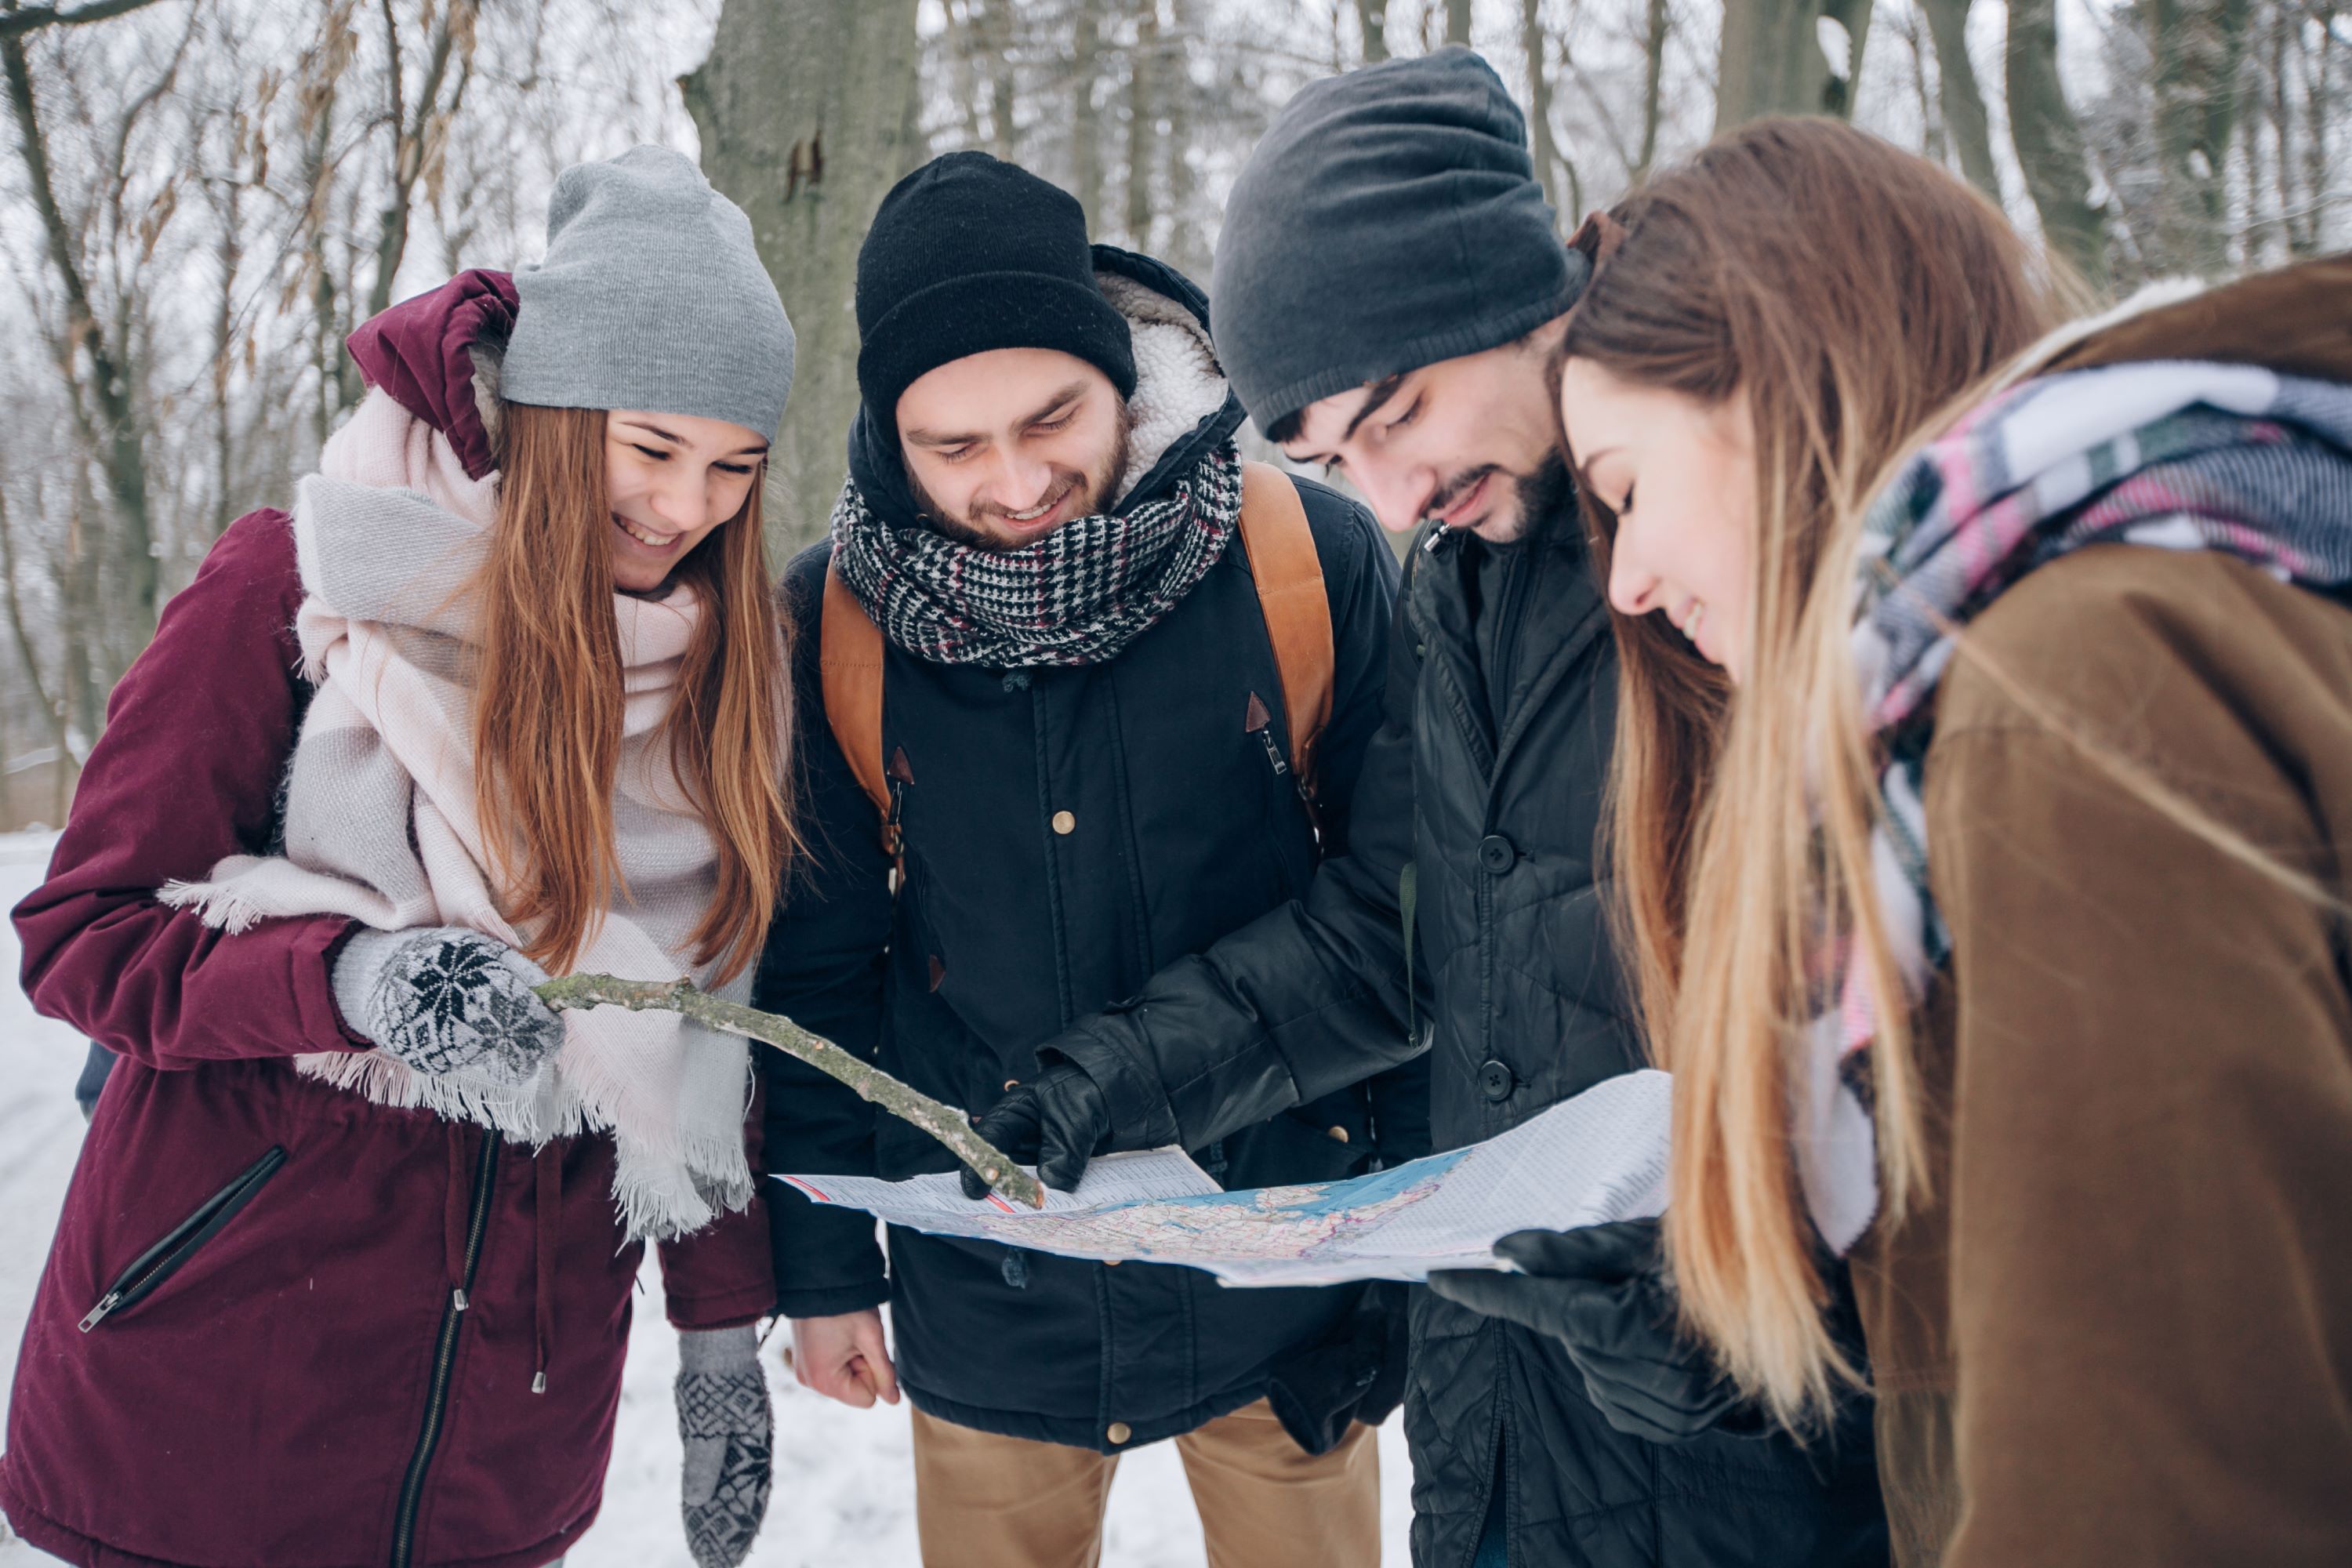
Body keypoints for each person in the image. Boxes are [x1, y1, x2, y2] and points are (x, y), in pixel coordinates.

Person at [975, 51, 1889, 1568]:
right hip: (1509, 1447)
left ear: (1510, 290)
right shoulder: (1461, 577)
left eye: (1394, 413)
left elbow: (1954, 1095)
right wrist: (1119, 1074)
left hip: (1758, 1480)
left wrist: (1762, 1336)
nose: (1387, 496)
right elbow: (1406, 938)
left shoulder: (1751, 540)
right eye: (1333, 460)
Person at [1551, 118, 2352, 1566]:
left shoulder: (2064, 695)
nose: (1627, 579)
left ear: (1780, 376)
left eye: (1622, 489)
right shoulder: (2021, 677)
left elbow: (2152, 1501)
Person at [0, 147, 793, 1568]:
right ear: (554, 416)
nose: (688, 511)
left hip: (509, 1426)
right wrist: (357, 982)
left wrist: (721, 1329)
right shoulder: (303, 585)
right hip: (221, 1388)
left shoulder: (719, 670)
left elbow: (704, 1026)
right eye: (652, 447)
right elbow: (86, 932)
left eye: (735, 466)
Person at [753, 150, 1420, 1568]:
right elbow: (814, 970)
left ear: (1120, 368)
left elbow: (1409, 913)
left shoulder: (1308, 555)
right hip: (995, 1292)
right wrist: (820, 1272)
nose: (1014, 481)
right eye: (953, 448)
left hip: (1281, 1260)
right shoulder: (830, 626)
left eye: (1051, 417)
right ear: (889, 434)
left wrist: (1406, 1250)